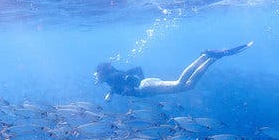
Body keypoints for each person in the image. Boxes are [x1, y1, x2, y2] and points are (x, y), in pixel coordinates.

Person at [94, 41, 253, 101]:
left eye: (97, 74)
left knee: (180, 82)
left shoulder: (112, 77)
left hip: (145, 88)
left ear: (102, 72)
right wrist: (112, 92)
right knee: (188, 86)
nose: (96, 77)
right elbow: (135, 70)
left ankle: (207, 56)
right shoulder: (111, 80)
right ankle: (210, 58)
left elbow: (127, 77)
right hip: (146, 87)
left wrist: (135, 84)